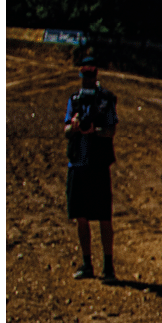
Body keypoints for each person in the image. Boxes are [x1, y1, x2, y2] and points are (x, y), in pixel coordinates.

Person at [63, 55, 119, 282]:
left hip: (97, 164)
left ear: (95, 74)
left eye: (90, 74)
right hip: (77, 163)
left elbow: (111, 130)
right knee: (81, 217)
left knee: (104, 217)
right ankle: (87, 263)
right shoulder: (75, 99)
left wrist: (93, 130)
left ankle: (108, 266)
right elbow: (66, 131)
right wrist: (75, 127)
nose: (87, 78)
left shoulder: (105, 99)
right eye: (84, 74)